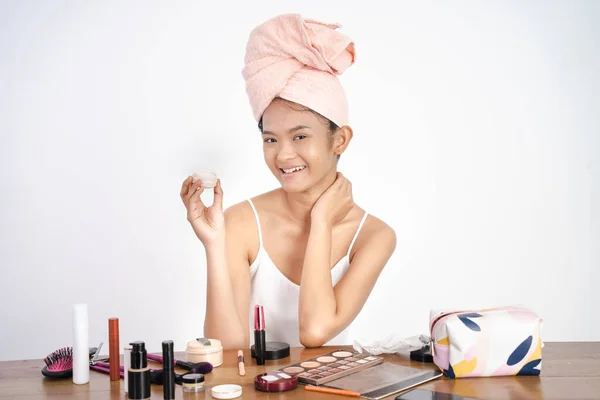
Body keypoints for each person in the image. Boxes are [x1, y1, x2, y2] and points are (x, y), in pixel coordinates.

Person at [180, 13, 396, 349]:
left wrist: (321, 222)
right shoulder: (240, 222)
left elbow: (314, 331)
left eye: (299, 137)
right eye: (271, 139)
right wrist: (213, 245)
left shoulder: (374, 236)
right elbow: (226, 349)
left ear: (340, 140)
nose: (282, 156)